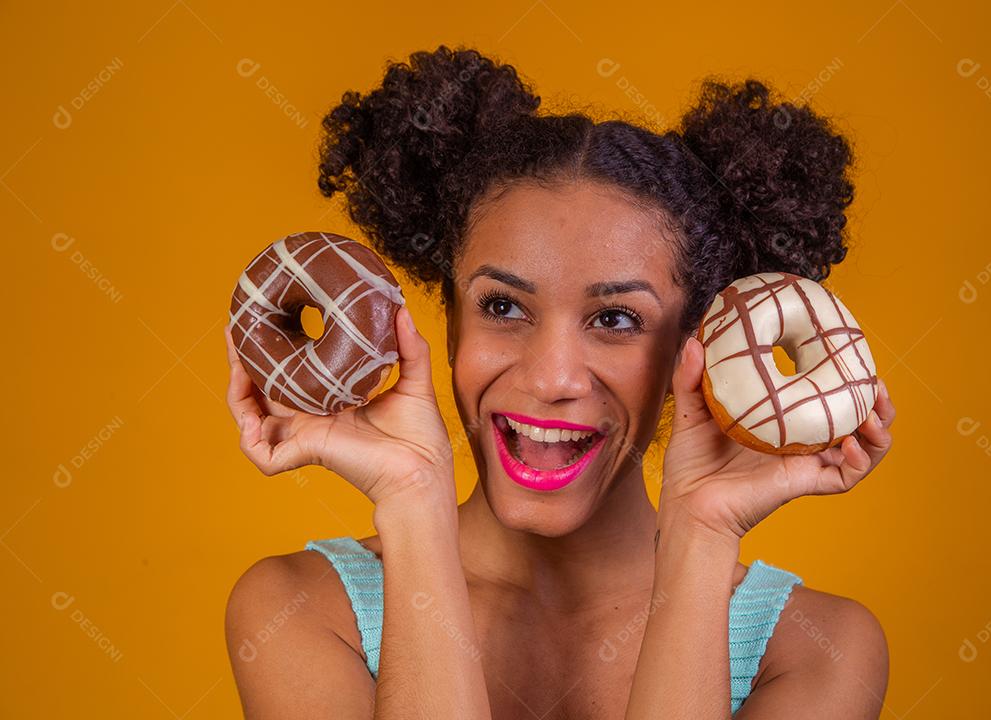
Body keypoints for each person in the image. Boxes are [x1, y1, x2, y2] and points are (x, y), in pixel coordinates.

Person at [224, 44, 895, 719]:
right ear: (448, 318)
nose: (551, 378)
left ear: (693, 348)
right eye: (503, 307)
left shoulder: (818, 651)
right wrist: (410, 502)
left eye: (615, 318)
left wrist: (702, 535)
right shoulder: (298, 610)